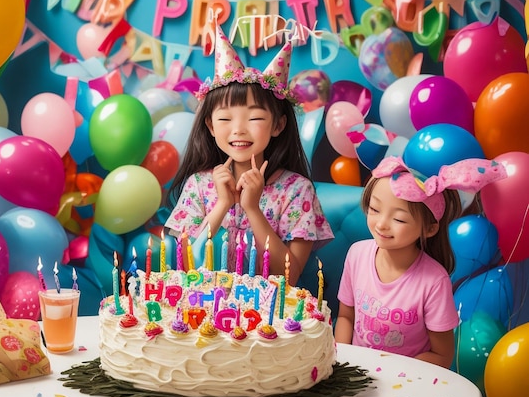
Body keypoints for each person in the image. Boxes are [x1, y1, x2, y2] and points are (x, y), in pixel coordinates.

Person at [165, 23, 333, 286]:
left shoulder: (297, 190)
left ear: (277, 125)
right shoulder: (198, 185)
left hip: (269, 321)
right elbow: (185, 270)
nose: (239, 130)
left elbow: (289, 277)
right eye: (225, 118)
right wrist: (221, 204)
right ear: (210, 125)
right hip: (206, 315)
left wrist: (253, 209)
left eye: (254, 117)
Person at [334, 156, 507, 368]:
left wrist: (391, 373)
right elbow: (345, 317)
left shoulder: (434, 281)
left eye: (398, 219)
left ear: (430, 228)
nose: (381, 224)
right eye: (374, 209)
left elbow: (442, 356)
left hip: (406, 384)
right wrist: (340, 360)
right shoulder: (356, 254)